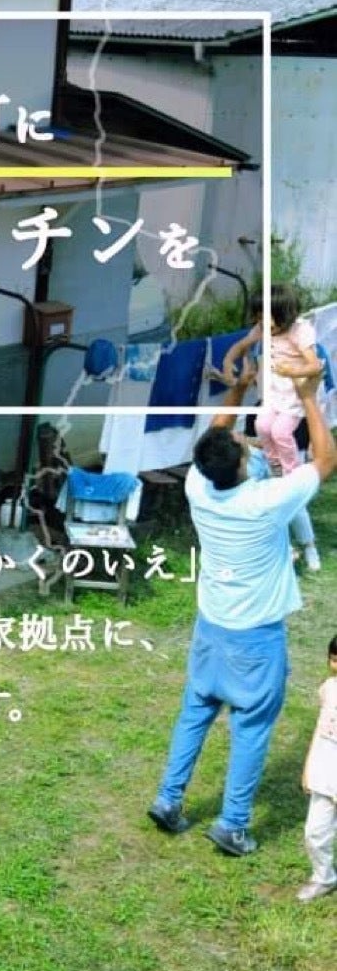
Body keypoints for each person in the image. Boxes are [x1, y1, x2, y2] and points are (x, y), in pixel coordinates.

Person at [148, 356, 336, 856]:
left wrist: (239, 389)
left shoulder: (198, 486)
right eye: (243, 444)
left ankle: (168, 799)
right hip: (256, 639)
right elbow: (325, 461)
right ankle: (232, 824)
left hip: (211, 629)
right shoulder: (267, 501)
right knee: (251, 729)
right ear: (239, 466)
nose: (245, 442)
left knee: (195, 713)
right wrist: (310, 396)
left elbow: (215, 435)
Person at [219, 285, 322, 478]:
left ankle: (291, 471)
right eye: (260, 319)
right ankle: (275, 464)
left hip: (294, 396)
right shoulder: (263, 328)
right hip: (274, 394)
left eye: (271, 320)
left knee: (281, 432)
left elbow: (315, 365)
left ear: (287, 316)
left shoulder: (299, 331)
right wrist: (228, 361)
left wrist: (292, 371)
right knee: (262, 426)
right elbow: (240, 345)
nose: (266, 325)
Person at [298, 634, 337, 901]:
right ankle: (324, 877)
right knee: (315, 832)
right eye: (334, 659)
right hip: (326, 770)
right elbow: (320, 730)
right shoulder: (328, 689)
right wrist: (309, 767)